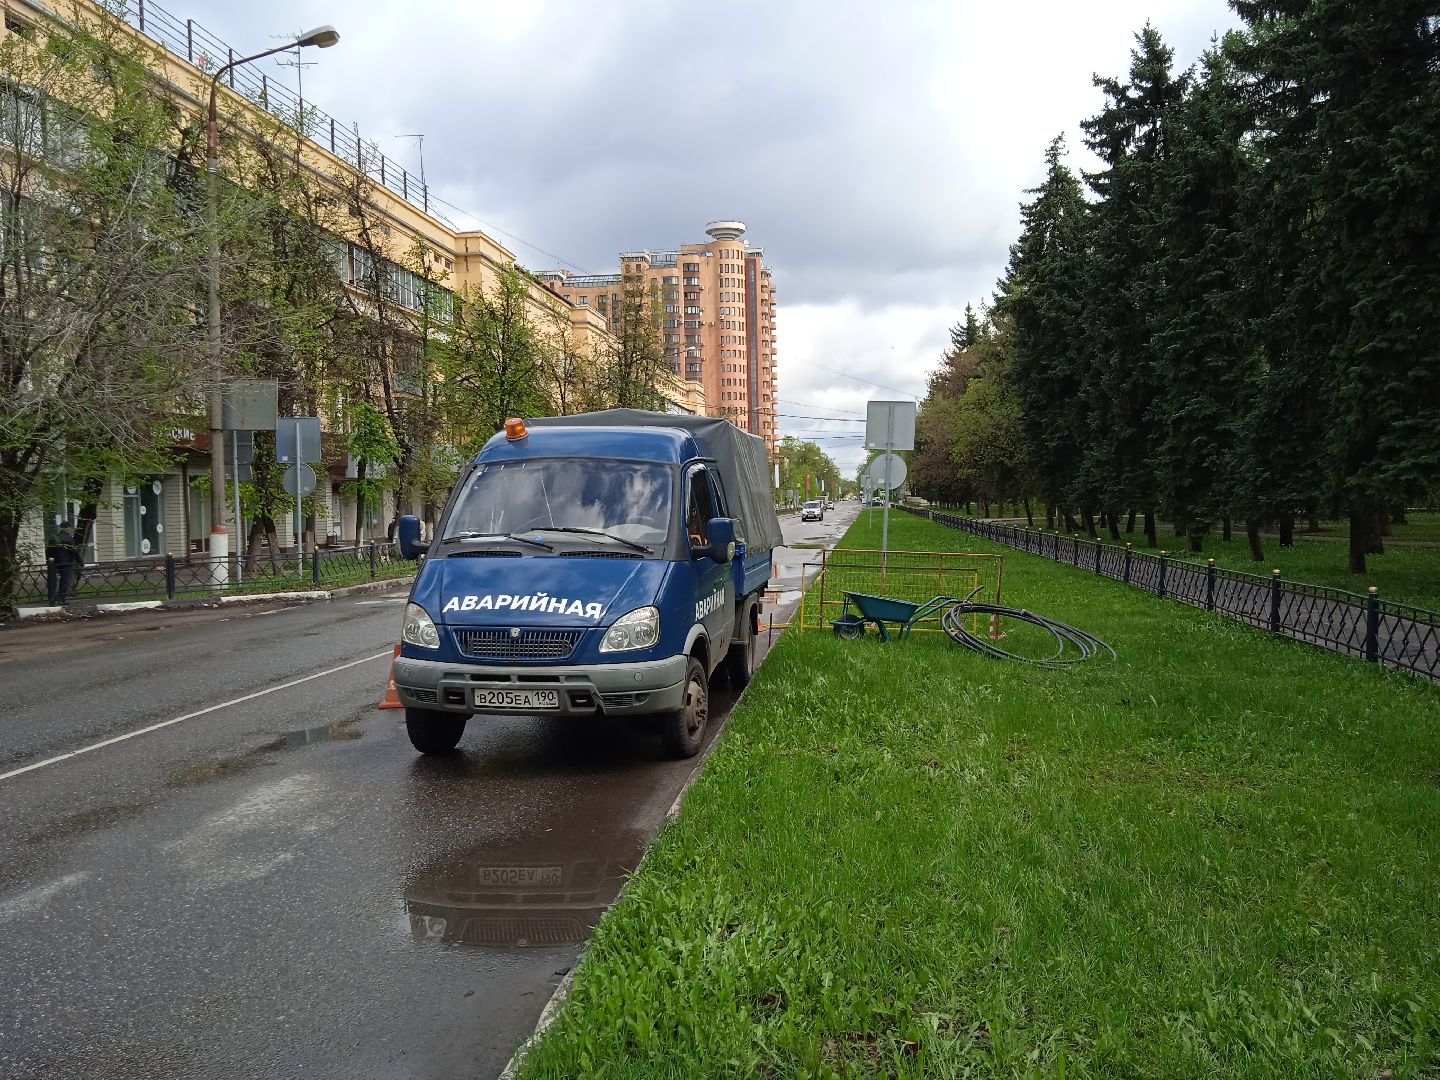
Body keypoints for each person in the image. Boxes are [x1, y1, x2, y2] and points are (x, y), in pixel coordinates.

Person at [47, 521, 82, 606]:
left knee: (53, 580)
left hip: (55, 562)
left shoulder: (54, 538)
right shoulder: (69, 538)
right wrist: (80, 561)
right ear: (66, 528)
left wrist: (49, 560)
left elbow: (48, 550)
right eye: (70, 528)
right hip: (66, 563)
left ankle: (52, 598)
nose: (70, 529)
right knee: (65, 581)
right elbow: (74, 551)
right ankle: (61, 599)